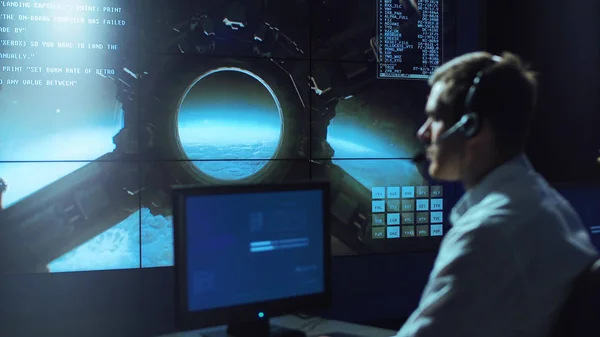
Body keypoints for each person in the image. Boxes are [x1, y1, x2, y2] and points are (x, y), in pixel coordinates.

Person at [395, 52, 599, 337]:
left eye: (436, 118)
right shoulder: (542, 202)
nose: (423, 133)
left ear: (473, 127)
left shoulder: (488, 232)